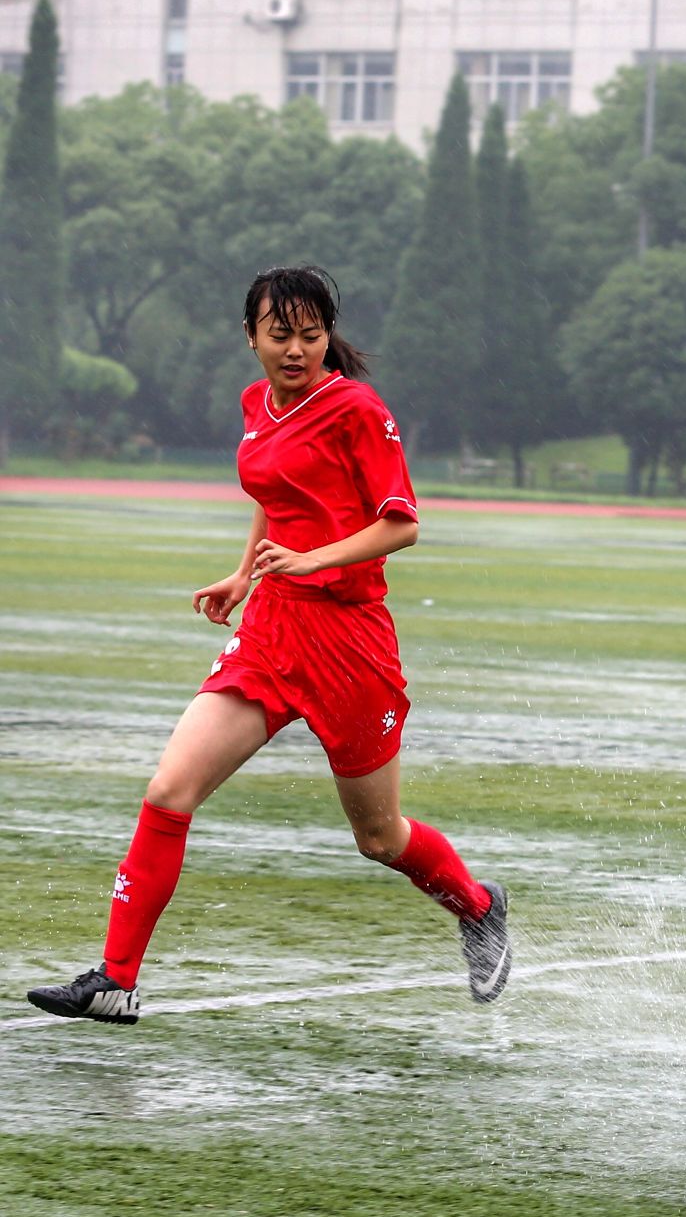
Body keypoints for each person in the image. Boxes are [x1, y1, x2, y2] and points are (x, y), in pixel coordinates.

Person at [26, 266, 508, 1024]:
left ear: (327, 336)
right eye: (279, 334)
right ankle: (115, 979)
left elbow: (402, 522)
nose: (295, 349)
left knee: (379, 836)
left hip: (350, 645)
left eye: (310, 335)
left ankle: (478, 906)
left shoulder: (356, 409)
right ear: (249, 334)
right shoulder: (257, 403)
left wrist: (313, 559)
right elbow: (275, 499)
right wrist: (245, 574)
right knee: (168, 791)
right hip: (274, 632)